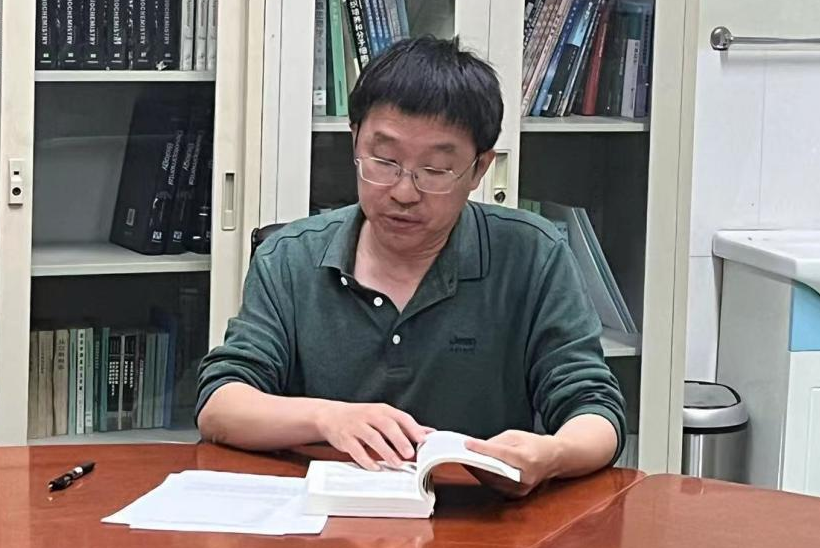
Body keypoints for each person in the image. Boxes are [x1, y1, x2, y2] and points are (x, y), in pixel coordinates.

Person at [196, 36, 625, 496]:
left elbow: (595, 409)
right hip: (321, 518)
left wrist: (552, 454)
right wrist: (326, 417)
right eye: (384, 161)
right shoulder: (290, 258)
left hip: (479, 519)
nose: (404, 192)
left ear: (479, 169)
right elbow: (220, 404)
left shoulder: (531, 254)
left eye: (435, 170)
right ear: (355, 142)